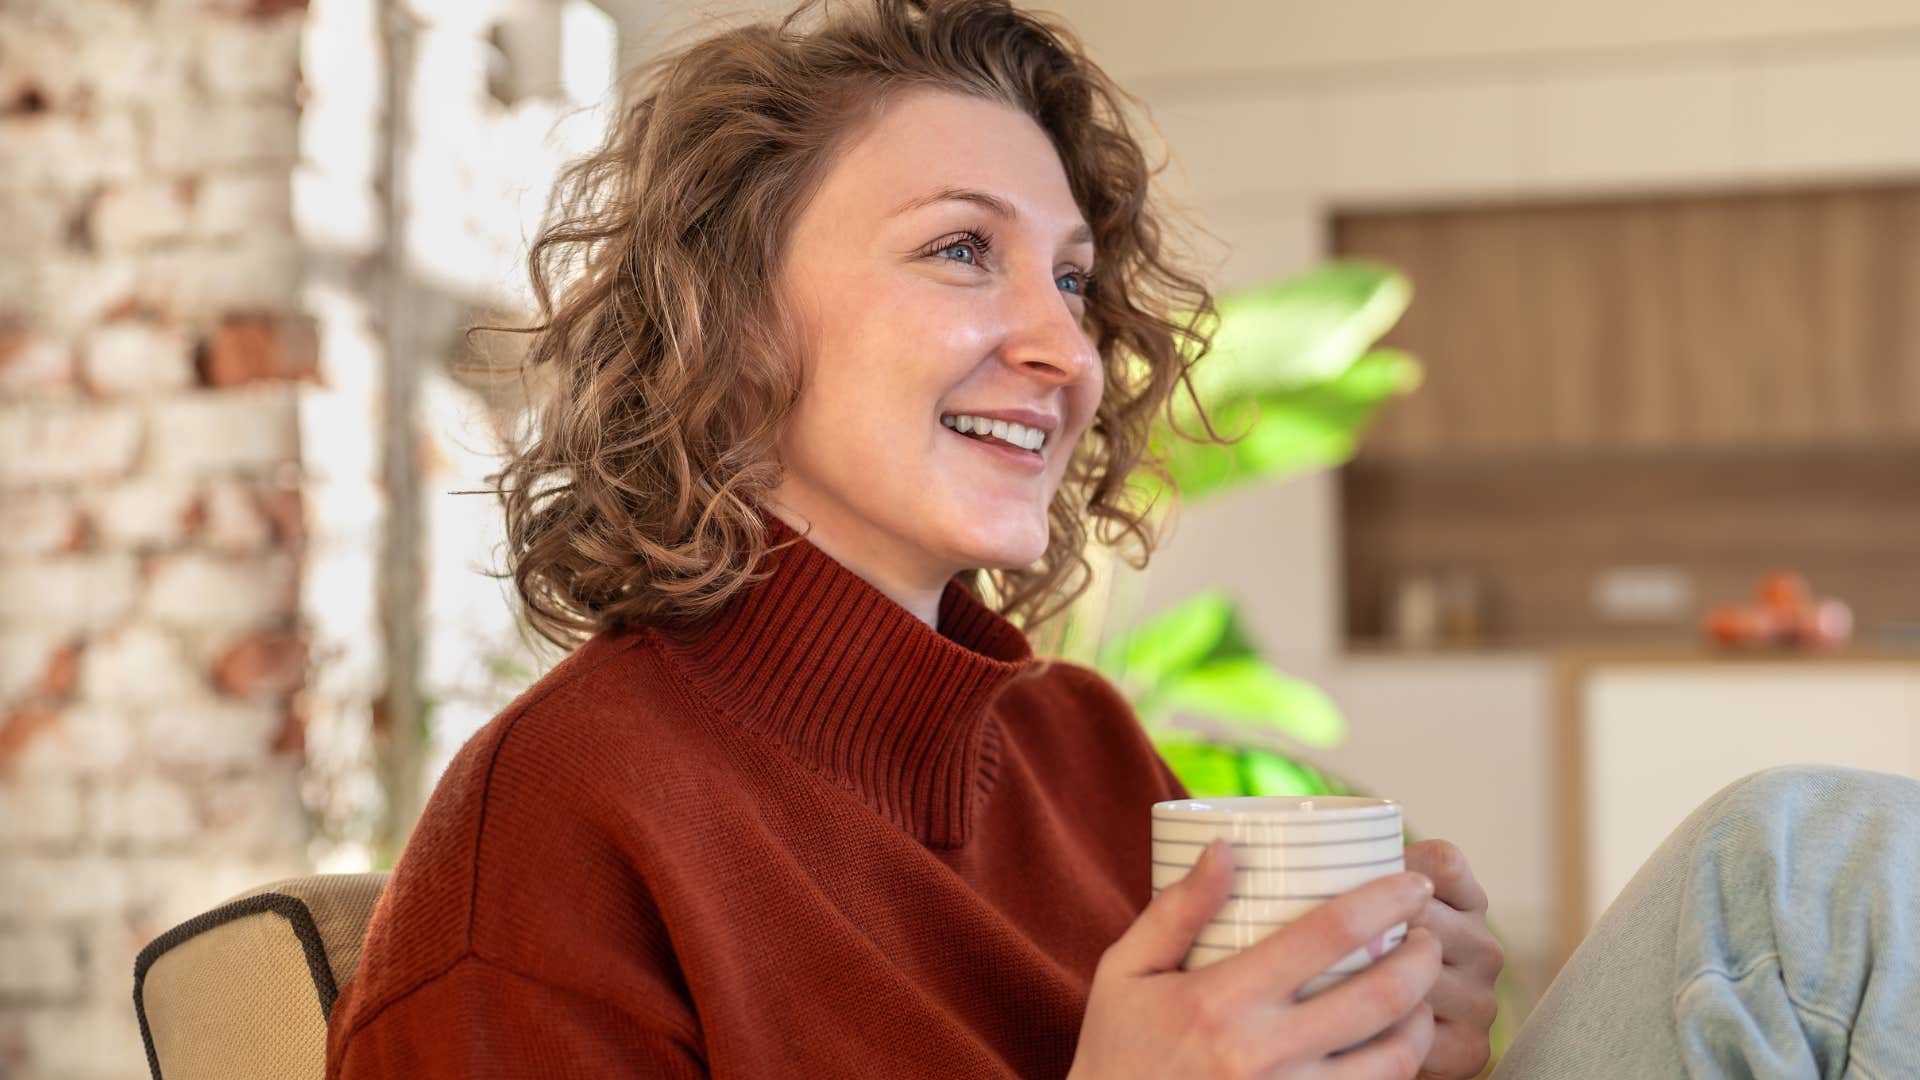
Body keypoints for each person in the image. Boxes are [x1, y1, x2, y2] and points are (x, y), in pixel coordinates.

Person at [324, 1, 1920, 1077]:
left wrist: (1408, 1036)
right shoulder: (562, 825)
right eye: (963, 250)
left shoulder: (1078, 748)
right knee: (1800, 871)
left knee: (1803, 872)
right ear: (729, 325)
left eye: (1074, 281)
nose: (1063, 349)